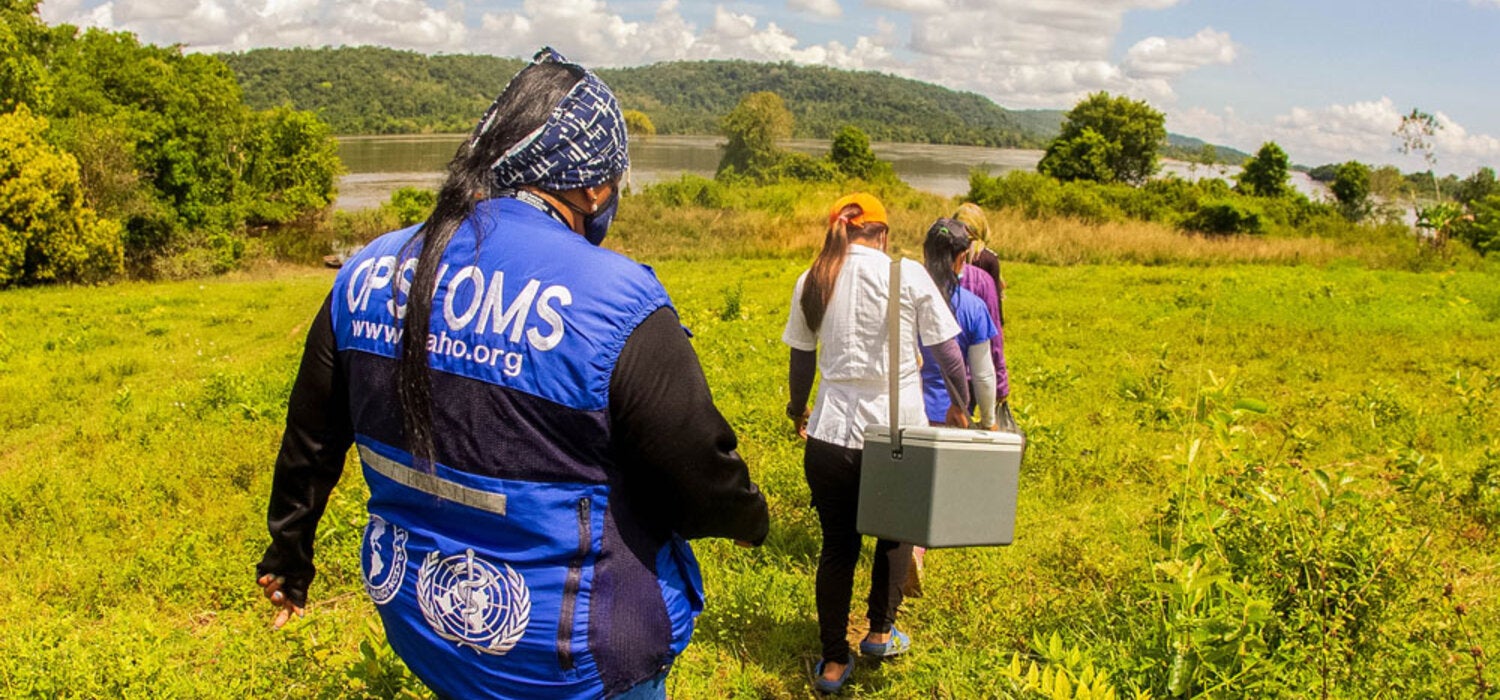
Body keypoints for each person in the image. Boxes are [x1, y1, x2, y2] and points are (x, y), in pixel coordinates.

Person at [255, 48, 769, 700]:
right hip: (569, 654)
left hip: (423, 621)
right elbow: (698, 475)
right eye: (615, 179)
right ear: (593, 187)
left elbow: (311, 440)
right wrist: (749, 520)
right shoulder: (617, 299)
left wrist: (289, 552)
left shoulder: (366, 270)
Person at [782, 192, 972, 694]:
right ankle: (880, 634)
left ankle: (832, 662)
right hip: (897, 435)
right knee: (894, 536)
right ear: (882, 234)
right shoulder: (907, 275)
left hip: (829, 435)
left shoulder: (813, 279)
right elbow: (949, 354)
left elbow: (801, 358)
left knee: (837, 547)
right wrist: (962, 405)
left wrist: (798, 409)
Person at [919, 218, 999, 429]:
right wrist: (989, 422)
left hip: (906, 410)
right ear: (962, 257)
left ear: (925, 253)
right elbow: (983, 376)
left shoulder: (905, 298)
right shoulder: (973, 307)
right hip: (951, 415)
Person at [951, 203, 1010, 424]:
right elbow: (995, 320)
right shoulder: (988, 259)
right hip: (976, 354)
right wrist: (1001, 380)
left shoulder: (943, 253)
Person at [953, 202, 1006, 325]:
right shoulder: (988, 258)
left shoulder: (946, 252)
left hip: (950, 322)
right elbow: (995, 306)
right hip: (979, 324)